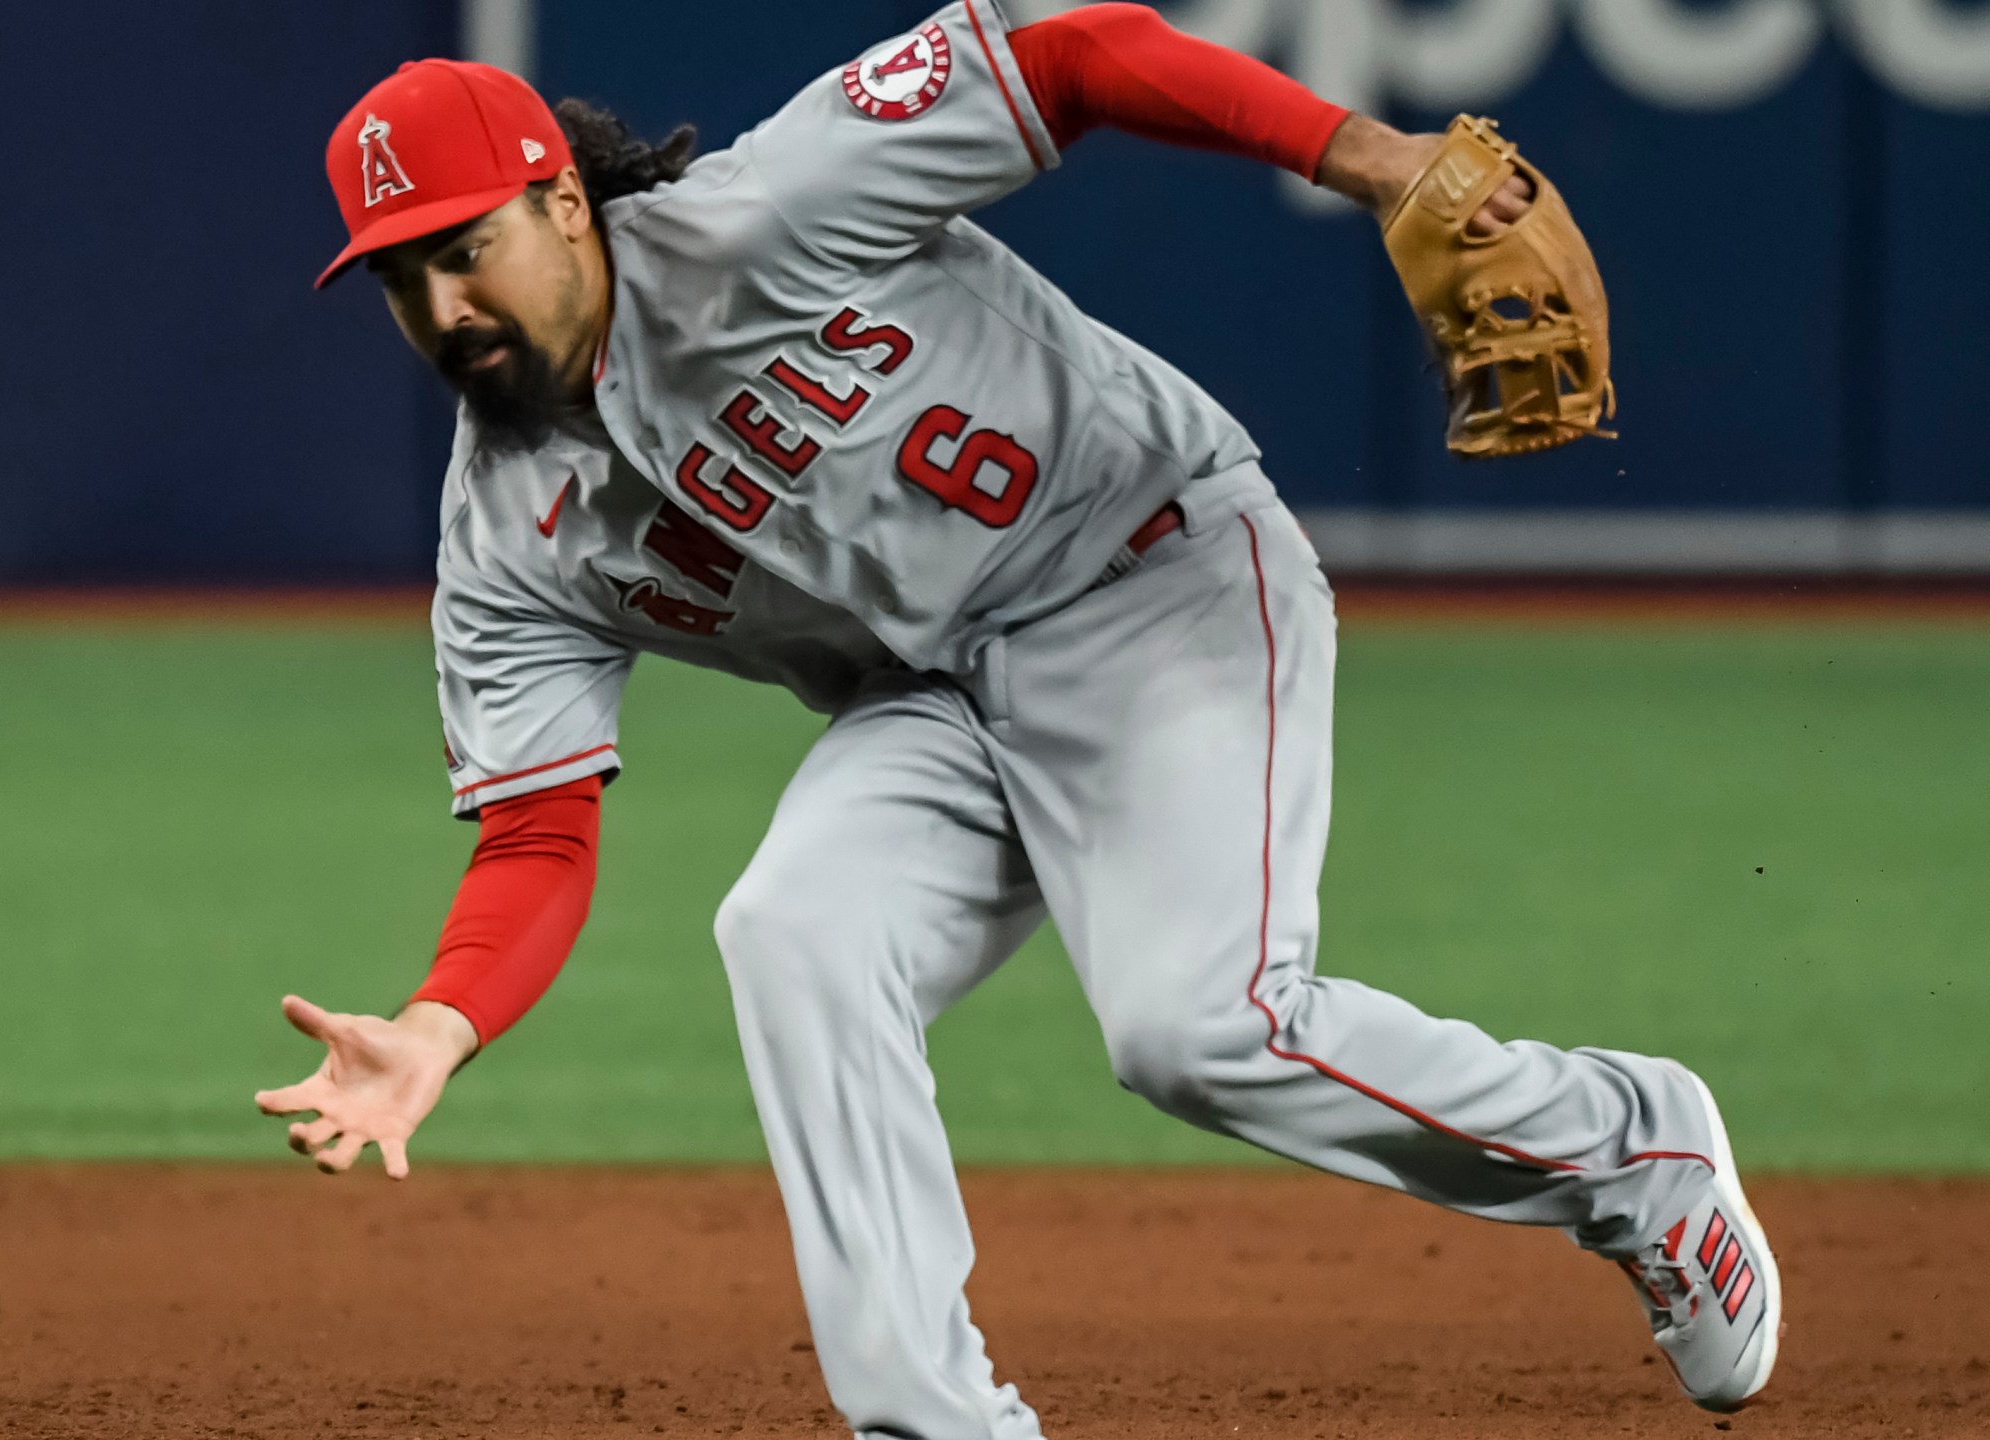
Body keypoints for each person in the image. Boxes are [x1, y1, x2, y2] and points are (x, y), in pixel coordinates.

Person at [255, 4, 1780, 1431]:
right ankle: (932, 1421)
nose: (444, 307)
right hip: (938, 696)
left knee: (1199, 1031)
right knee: (794, 930)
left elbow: (1075, 54)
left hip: (1153, 575)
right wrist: (442, 1025)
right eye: (399, 278)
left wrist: (1374, 164)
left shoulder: (767, 214)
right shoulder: (502, 529)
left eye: (464, 249)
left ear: (563, 206)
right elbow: (538, 827)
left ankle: (1627, 1148)